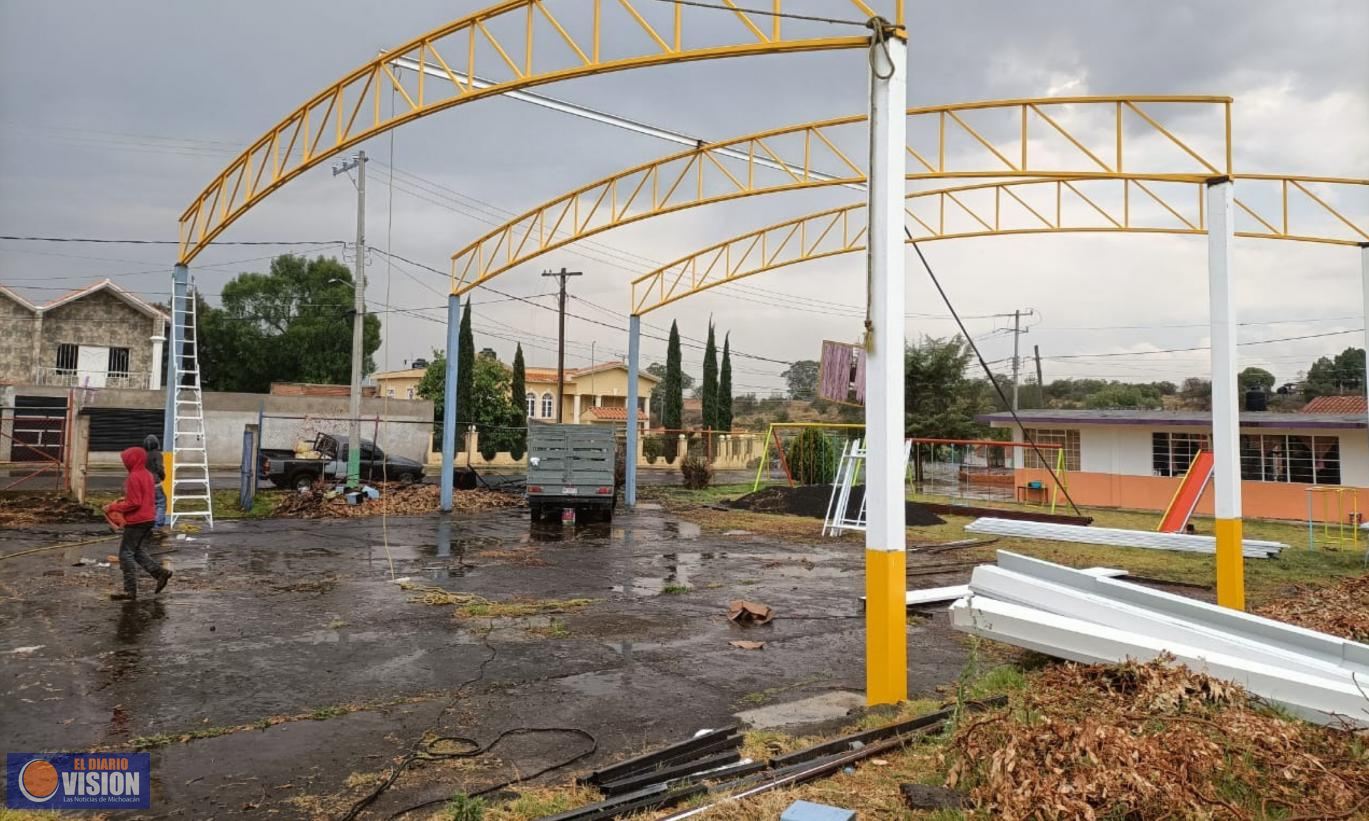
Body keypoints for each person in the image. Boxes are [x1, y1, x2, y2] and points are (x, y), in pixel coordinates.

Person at [106, 446, 172, 601]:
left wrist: (112, 507)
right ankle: (160, 573)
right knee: (137, 552)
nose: (125, 463)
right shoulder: (148, 475)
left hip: (137, 520)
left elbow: (134, 503)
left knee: (125, 554)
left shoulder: (134, 477)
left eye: (126, 460)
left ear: (132, 460)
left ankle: (130, 591)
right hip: (149, 518)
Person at [143, 434, 167, 533]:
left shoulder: (143, 454)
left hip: (144, 483)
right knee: (161, 503)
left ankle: (146, 524)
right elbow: (159, 467)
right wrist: (162, 476)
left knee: (148, 504)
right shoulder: (157, 454)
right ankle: (157, 525)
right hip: (154, 483)